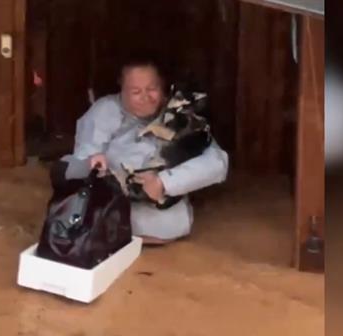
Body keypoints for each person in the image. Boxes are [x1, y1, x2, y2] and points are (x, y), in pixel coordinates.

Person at [56, 59, 229, 245]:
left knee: (173, 222)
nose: (145, 97)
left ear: (163, 88)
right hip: (112, 197)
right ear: (122, 90)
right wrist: (93, 163)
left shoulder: (180, 115)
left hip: (158, 202)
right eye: (136, 92)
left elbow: (218, 163)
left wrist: (164, 182)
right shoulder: (105, 110)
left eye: (152, 89)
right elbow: (80, 164)